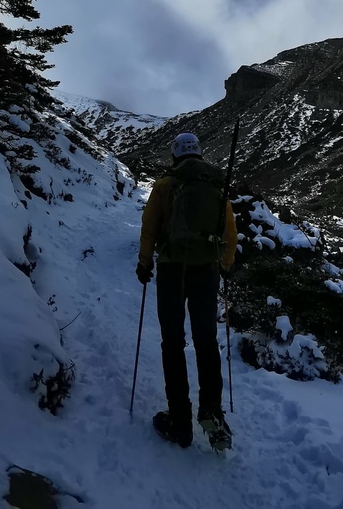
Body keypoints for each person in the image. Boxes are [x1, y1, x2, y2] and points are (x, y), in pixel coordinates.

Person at [136, 132, 237, 450]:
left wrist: (144, 263)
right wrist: (223, 265)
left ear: (175, 154)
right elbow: (229, 233)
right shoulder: (215, 184)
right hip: (205, 270)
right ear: (199, 152)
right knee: (206, 340)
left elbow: (149, 226)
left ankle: (179, 422)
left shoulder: (166, 184)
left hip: (171, 269)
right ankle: (212, 411)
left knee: (173, 343)